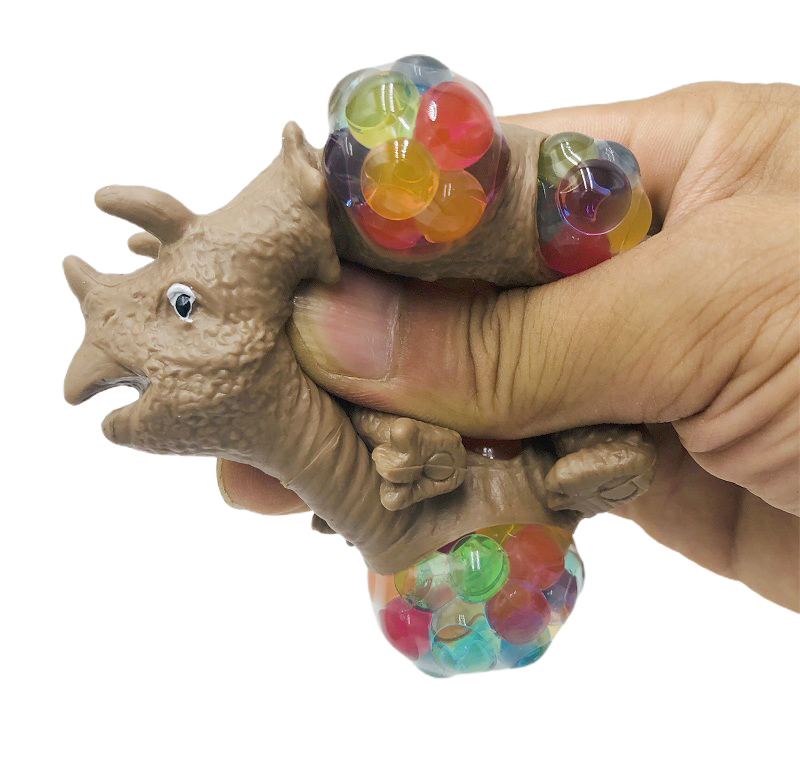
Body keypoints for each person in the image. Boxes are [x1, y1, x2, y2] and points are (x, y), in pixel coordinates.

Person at [218, 82, 799, 611]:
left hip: (503, 512)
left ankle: (591, 452)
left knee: (573, 417)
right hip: (462, 535)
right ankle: (583, 460)